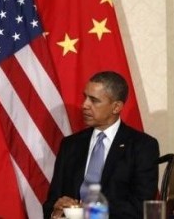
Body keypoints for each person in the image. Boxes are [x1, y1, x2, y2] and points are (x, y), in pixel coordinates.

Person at [43, 71, 159, 218]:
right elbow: (52, 201)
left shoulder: (142, 146)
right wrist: (56, 211)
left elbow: (141, 205)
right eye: (85, 97)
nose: (84, 105)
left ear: (116, 107)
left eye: (94, 100)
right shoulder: (70, 144)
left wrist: (86, 210)